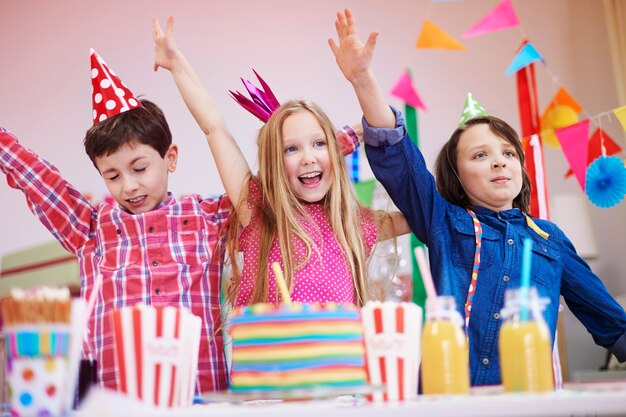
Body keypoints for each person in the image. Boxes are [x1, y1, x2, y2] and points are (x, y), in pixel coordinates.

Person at [329, 8, 626, 386]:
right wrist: (362, 79)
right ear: (457, 175)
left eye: (507, 153)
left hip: (527, 405)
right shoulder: (442, 219)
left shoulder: (551, 241)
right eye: (480, 155)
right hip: (447, 400)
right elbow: (398, 158)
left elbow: (612, 324)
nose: (499, 163)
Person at [0, 51, 231, 393]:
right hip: (114, 403)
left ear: (171, 158)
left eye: (139, 168)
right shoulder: (89, 229)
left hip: (201, 397)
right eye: (112, 175)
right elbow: (35, 177)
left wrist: (333, 142)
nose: (129, 186)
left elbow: (271, 192)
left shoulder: (209, 218)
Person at [152, 17, 410, 308]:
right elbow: (214, 128)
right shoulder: (258, 209)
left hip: (337, 353)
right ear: (275, 162)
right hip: (265, 353)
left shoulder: (351, 224)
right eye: (291, 149)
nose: (308, 157)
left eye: (319, 144)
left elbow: (426, 212)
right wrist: (176, 63)